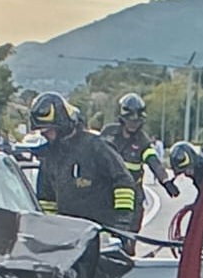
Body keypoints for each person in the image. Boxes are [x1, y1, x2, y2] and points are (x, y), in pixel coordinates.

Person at [29, 92, 137, 233]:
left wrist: (121, 225)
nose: (44, 135)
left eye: (48, 130)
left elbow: (124, 182)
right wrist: (51, 230)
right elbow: (46, 199)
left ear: (62, 124)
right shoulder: (50, 157)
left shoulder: (96, 147)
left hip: (102, 232)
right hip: (69, 236)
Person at [99, 93, 179, 255]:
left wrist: (166, 181)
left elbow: (153, 161)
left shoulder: (142, 140)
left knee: (129, 241)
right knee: (105, 240)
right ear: (122, 118)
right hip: (107, 195)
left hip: (132, 198)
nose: (133, 124)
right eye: (130, 120)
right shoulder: (108, 134)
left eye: (137, 121)